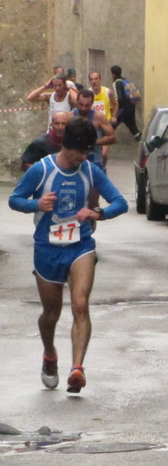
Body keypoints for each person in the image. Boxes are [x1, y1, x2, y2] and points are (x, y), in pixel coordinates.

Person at [8, 117, 129, 394]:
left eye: (88, 152)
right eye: (79, 152)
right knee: (51, 313)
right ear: (66, 145)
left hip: (80, 246)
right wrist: (36, 204)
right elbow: (14, 200)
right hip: (47, 248)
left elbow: (120, 203)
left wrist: (97, 213)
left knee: (80, 304)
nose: (83, 157)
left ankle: (77, 369)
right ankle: (50, 354)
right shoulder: (41, 170)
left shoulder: (90, 170)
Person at [73, 88, 116, 170]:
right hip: (74, 160)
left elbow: (112, 138)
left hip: (94, 160)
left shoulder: (99, 117)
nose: (83, 108)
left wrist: (93, 142)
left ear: (92, 104)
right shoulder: (69, 117)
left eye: (87, 106)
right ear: (77, 101)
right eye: (81, 105)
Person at [88, 72, 117, 167]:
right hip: (93, 127)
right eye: (91, 79)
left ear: (100, 80)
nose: (94, 81)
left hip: (105, 125)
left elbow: (115, 104)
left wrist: (114, 116)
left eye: (96, 79)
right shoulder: (88, 94)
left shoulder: (108, 92)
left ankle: (103, 167)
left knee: (103, 154)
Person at [110, 65, 141, 141]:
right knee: (133, 128)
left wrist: (115, 108)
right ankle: (141, 141)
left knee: (111, 125)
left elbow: (119, 98)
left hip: (123, 108)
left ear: (113, 74)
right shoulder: (125, 81)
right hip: (131, 106)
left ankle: (103, 141)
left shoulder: (116, 83)